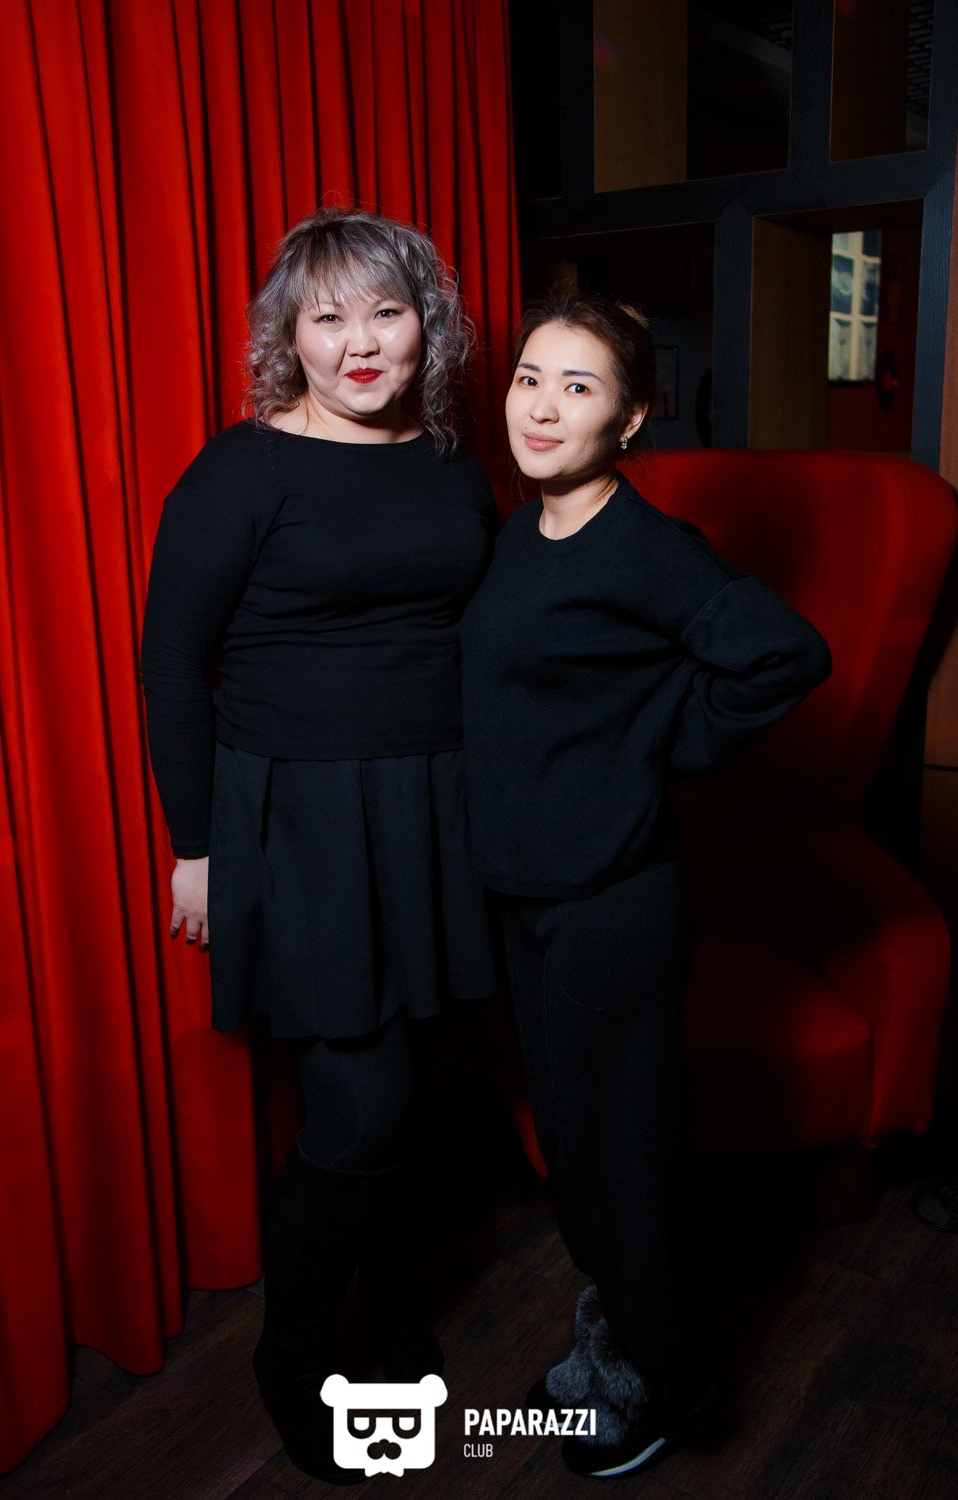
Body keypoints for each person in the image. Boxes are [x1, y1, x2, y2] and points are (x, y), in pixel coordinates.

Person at [140, 206, 497, 1485]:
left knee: (419, 1086)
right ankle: (292, 1357)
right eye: (327, 317)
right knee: (360, 1107)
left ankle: (393, 1315)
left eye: (384, 312)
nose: (359, 343)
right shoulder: (240, 472)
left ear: (424, 326)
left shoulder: (450, 459)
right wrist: (197, 847)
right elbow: (171, 666)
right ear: (286, 338)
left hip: (435, 809)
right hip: (300, 818)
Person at [461, 291, 831, 1479]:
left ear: (627, 421)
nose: (540, 406)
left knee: (619, 1162)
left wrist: (658, 745)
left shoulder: (649, 547)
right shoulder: (520, 533)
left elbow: (787, 653)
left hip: (610, 904)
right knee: (576, 1152)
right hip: (527, 898)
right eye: (529, 377)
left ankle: (667, 1384)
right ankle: (620, 1329)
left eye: (577, 386)